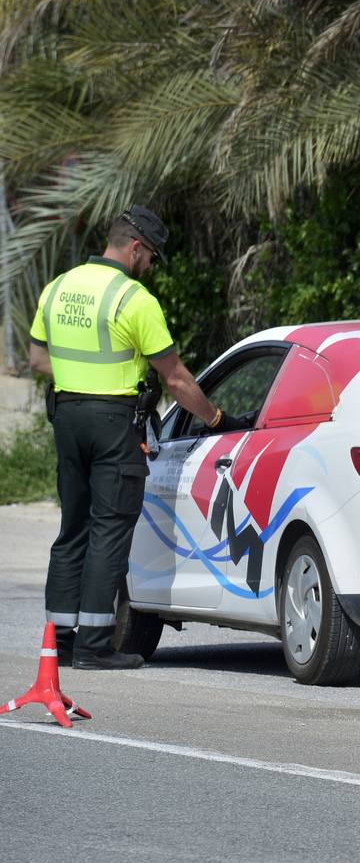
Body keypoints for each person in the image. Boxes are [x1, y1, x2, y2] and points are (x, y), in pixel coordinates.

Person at [28, 205, 245, 670]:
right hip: (113, 423)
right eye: (151, 259)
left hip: (67, 416)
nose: (149, 268)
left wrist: (79, 379)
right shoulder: (134, 300)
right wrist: (215, 418)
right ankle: (95, 645)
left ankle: (60, 642)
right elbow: (177, 380)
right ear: (135, 247)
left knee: (73, 529)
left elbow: (36, 359)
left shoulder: (58, 288)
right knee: (110, 529)